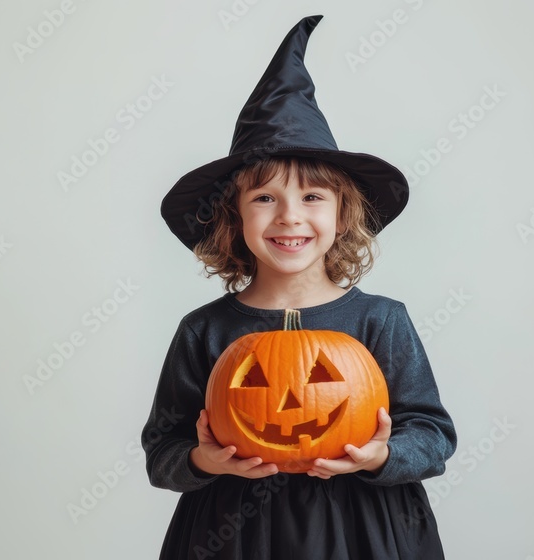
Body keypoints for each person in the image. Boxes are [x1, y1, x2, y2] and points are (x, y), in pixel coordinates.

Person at [141, 15, 456, 560]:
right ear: (233, 217)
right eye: (264, 198)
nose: (290, 217)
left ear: (343, 214)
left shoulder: (381, 321)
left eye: (313, 198)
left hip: (366, 530)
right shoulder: (204, 330)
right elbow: (162, 450)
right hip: (233, 533)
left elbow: (432, 435)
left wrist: (382, 456)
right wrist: (201, 460)